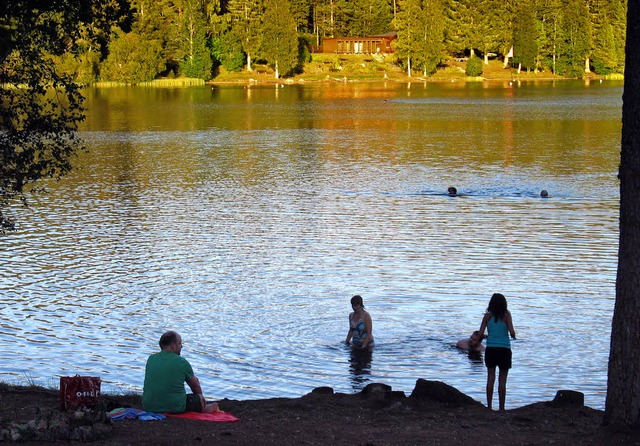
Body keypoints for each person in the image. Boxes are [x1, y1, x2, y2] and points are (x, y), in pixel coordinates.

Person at [142, 330, 219, 413]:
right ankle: (204, 407)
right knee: (197, 390)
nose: (181, 346)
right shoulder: (182, 362)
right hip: (175, 407)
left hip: (148, 406)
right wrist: (201, 400)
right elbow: (195, 386)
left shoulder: (151, 359)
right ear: (173, 346)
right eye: (180, 343)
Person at [478, 293, 516, 411]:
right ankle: (501, 408)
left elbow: (480, 334)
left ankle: (489, 406)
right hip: (504, 349)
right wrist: (513, 336)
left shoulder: (487, 317)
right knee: (502, 380)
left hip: (491, 349)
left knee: (490, 378)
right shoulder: (506, 315)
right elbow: (512, 331)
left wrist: (484, 337)